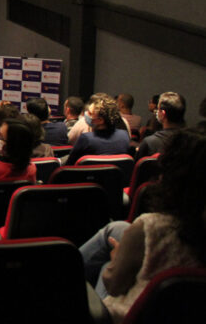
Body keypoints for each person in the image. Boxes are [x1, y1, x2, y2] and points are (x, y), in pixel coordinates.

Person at [79, 129, 206, 323]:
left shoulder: (150, 227)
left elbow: (113, 286)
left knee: (108, 264)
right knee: (117, 230)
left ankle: (57, 275)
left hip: (129, 315)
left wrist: (116, 260)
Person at [65, 95, 131, 165]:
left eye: (91, 113)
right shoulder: (124, 135)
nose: (87, 116)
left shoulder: (86, 139)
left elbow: (69, 165)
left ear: (100, 120)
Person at [135, 91, 186, 160]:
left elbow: (138, 168)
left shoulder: (149, 143)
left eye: (158, 109)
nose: (156, 112)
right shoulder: (193, 141)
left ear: (162, 114)